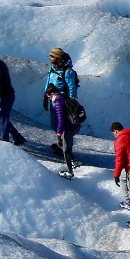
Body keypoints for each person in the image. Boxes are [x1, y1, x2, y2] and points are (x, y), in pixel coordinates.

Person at [42, 48, 81, 178]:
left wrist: (71, 104)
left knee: (63, 126)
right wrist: (45, 96)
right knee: (55, 124)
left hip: (62, 101)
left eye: (52, 56)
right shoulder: (53, 68)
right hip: (53, 99)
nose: (50, 58)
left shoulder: (68, 71)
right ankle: (60, 145)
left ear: (58, 58)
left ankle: (68, 153)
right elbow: (48, 82)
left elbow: (71, 88)